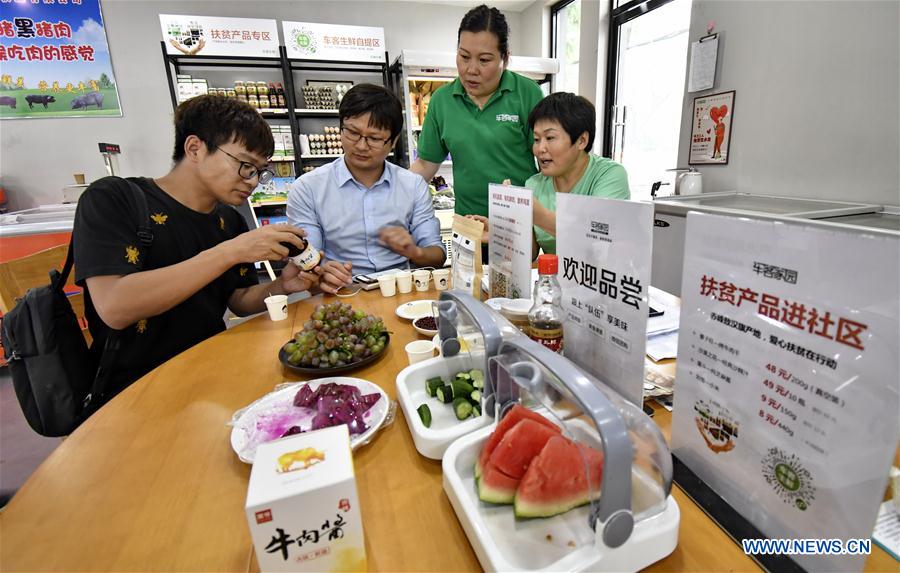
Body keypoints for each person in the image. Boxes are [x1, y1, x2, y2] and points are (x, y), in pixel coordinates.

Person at [74, 95, 316, 397]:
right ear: (195, 148)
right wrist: (231, 252)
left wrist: (281, 286)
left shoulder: (229, 220)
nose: (253, 181)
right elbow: (115, 306)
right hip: (134, 389)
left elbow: (237, 300)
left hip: (211, 371)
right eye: (245, 165)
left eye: (259, 171)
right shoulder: (113, 199)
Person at [288, 83, 446, 295]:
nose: (361, 146)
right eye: (352, 133)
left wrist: (414, 252)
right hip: (339, 295)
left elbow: (437, 255)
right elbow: (308, 258)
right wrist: (321, 272)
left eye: (374, 138)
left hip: (401, 293)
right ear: (340, 128)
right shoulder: (307, 188)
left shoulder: (413, 185)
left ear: (393, 141)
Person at [410, 4, 544, 221]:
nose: (471, 70)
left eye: (484, 60)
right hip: (468, 225)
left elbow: (546, 163)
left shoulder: (528, 94)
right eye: (464, 57)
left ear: (505, 58)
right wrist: (393, 195)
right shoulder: (442, 101)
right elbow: (425, 164)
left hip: (517, 225)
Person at [470, 92, 630, 255]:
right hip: (552, 280)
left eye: (550, 137)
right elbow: (530, 252)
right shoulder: (534, 184)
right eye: (537, 139)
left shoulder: (609, 175)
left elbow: (599, 237)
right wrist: (503, 233)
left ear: (581, 140)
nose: (540, 149)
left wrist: (540, 216)